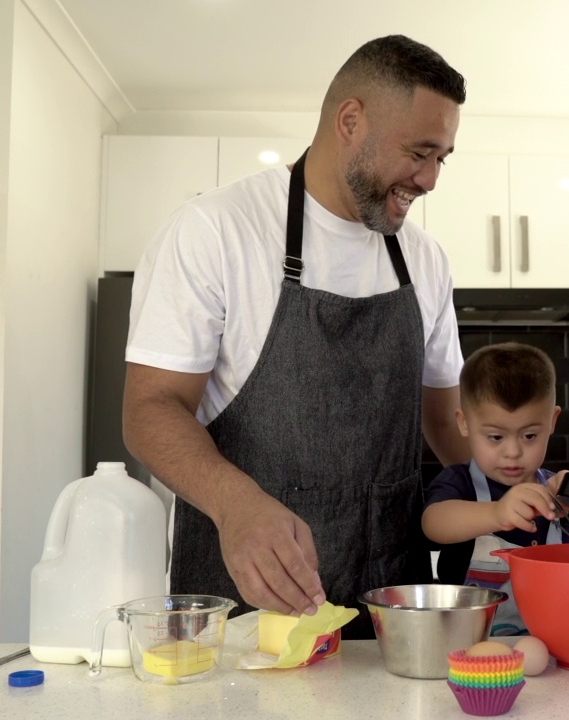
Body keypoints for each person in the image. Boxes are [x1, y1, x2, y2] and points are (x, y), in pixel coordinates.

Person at [121, 35, 471, 640]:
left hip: (391, 614)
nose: (431, 179)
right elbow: (150, 409)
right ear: (351, 121)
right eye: (420, 153)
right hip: (242, 616)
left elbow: (447, 424)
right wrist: (236, 504)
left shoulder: (425, 260)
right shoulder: (216, 230)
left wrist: (511, 510)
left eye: (443, 158)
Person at [422, 342, 569, 636]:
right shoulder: (459, 483)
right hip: (467, 648)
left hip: (550, 646)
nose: (512, 452)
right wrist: (496, 512)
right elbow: (434, 523)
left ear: (552, 421)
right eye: (495, 437)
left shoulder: (556, 493)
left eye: (530, 435)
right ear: (464, 423)